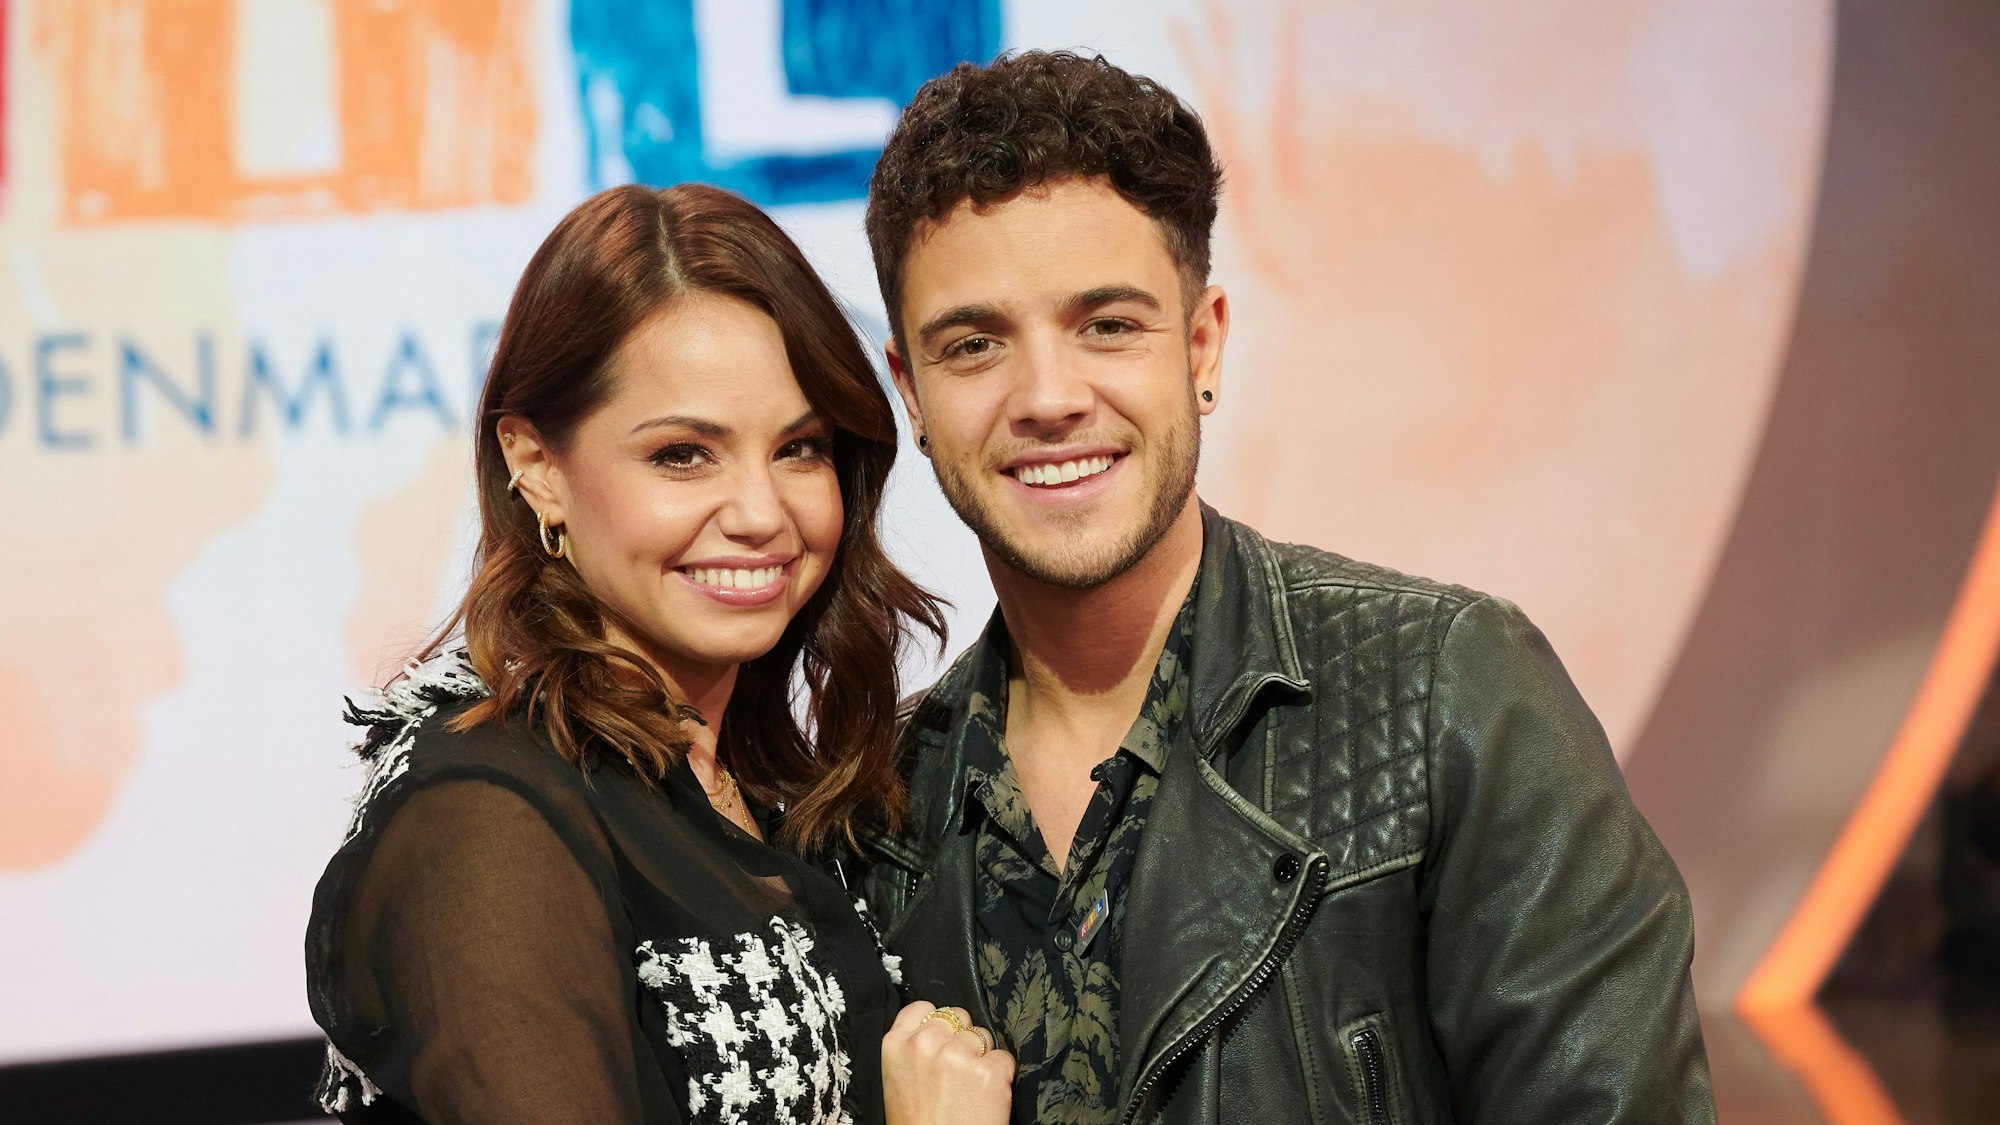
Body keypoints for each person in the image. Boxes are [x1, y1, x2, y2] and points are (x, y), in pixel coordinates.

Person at [848, 52, 1716, 1124]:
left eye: (1106, 325)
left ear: (1201, 344)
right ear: (912, 394)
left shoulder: (1446, 697)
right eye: (974, 345)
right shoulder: (876, 813)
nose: (1047, 396)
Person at [305, 183, 1013, 1124]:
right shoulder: (482, 819)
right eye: (684, 454)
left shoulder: (760, 786)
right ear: (536, 465)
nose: (762, 513)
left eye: (800, 449)